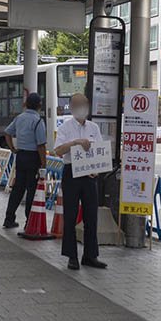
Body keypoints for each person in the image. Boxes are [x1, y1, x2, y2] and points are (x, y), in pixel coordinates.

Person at [54, 92, 105, 270]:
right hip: (71, 174)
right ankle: (71, 256)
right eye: (77, 104)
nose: (81, 107)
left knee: (91, 216)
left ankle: (90, 256)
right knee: (70, 215)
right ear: (71, 107)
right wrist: (75, 143)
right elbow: (58, 150)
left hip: (89, 175)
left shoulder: (93, 127)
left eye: (83, 103)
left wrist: (96, 170)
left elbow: (99, 151)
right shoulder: (65, 128)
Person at [2, 92, 47, 229]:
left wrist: (13, 148)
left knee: (18, 189)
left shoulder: (19, 118)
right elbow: (41, 145)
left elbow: (7, 132)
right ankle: (29, 222)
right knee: (32, 190)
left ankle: (9, 218)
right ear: (39, 105)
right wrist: (43, 164)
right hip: (33, 158)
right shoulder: (38, 121)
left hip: (21, 157)